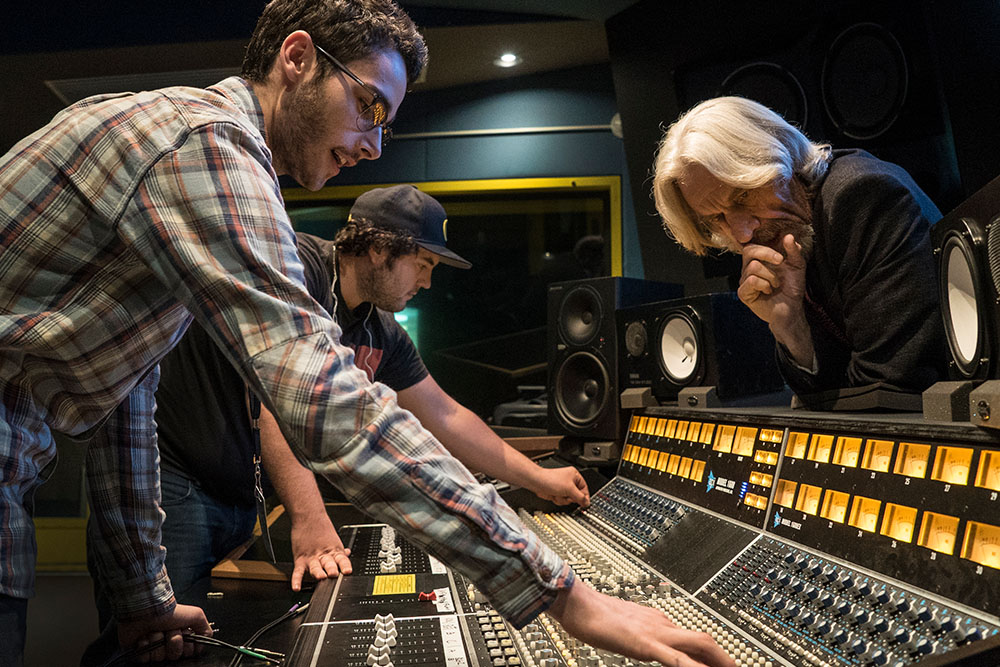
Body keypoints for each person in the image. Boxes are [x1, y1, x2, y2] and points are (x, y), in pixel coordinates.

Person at [0, 1, 735, 666]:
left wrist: (139, 596)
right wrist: (560, 592)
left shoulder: (193, 148)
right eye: (369, 105)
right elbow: (318, 399)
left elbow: (127, 397)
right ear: (297, 58)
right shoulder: (207, 146)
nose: (375, 144)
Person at [87, 184, 590, 608]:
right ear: (379, 249)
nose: (427, 282)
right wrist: (309, 518)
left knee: (207, 636)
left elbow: (446, 414)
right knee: (153, 638)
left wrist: (540, 478)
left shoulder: (380, 327)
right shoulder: (295, 272)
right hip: (177, 481)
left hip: (241, 493)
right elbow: (278, 401)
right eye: (423, 263)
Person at [652, 96, 947, 398]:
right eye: (717, 218)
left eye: (742, 196)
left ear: (781, 155)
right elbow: (831, 397)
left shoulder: (861, 196)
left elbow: (886, 389)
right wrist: (792, 328)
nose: (742, 234)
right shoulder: (791, 231)